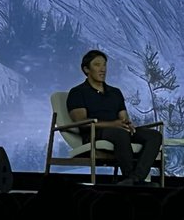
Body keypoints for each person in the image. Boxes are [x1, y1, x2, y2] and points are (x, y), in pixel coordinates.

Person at [67, 49, 163, 186]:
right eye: (97, 65)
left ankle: (134, 179)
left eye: (104, 65)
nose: (102, 69)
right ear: (86, 69)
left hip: (118, 130)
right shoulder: (77, 92)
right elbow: (82, 122)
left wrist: (127, 124)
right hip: (95, 133)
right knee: (119, 133)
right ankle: (129, 177)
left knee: (154, 136)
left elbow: (123, 117)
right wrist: (114, 124)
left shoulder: (115, 92)